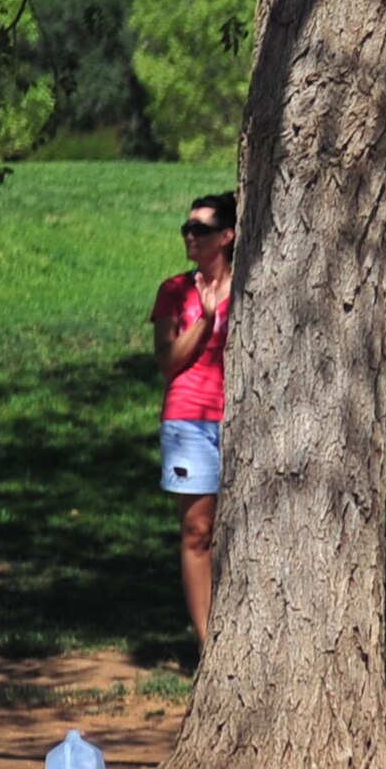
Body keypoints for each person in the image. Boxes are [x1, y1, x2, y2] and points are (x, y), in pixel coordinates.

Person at [150, 192, 235, 648]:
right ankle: (208, 646)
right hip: (188, 421)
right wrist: (203, 319)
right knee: (199, 532)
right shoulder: (174, 291)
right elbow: (168, 362)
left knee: (239, 533)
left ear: (227, 236)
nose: (189, 235)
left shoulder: (251, 286)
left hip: (243, 422)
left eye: (200, 229)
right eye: (186, 228)